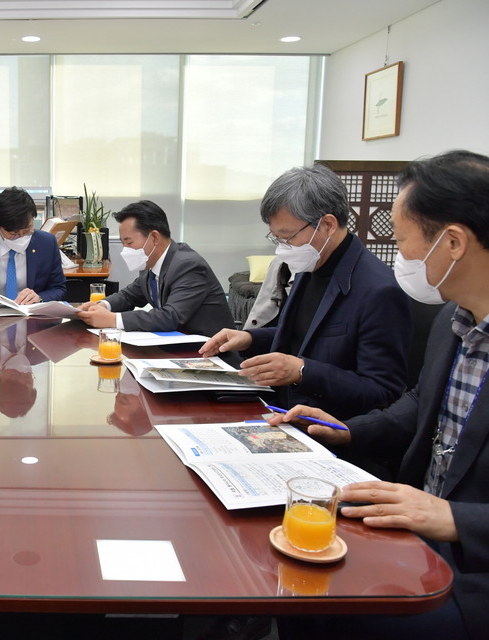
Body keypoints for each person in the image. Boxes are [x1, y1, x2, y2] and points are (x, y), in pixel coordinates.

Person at [270, 150, 489, 639]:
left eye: (404, 240)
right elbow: (414, 405)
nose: (399, 255)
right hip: (413, 523)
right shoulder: (455, 324)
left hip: (471, 566)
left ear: (452, 242)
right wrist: (345, 430)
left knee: (321, 601)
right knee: (290, 569)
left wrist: (455, 518)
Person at [199, 164, 411, 420]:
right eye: (276, 237)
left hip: (329, 428)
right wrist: (250, 339)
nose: (282, 248)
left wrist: (302, 371)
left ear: (328, 225)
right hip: (279, 410)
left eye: (287, 236)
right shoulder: (310, 264)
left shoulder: (379, 291)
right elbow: (306, 335)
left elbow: (383, 392)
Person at [77, 200, 234, 338]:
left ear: (154, 238)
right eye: (123, 243)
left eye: (129, 242)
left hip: (209, 353)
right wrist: (102, 306)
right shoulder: (150, 263)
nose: (125, 249)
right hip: (176, 346)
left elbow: (170, 317)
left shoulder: (188, 265)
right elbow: (129, 296)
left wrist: (112, 319)